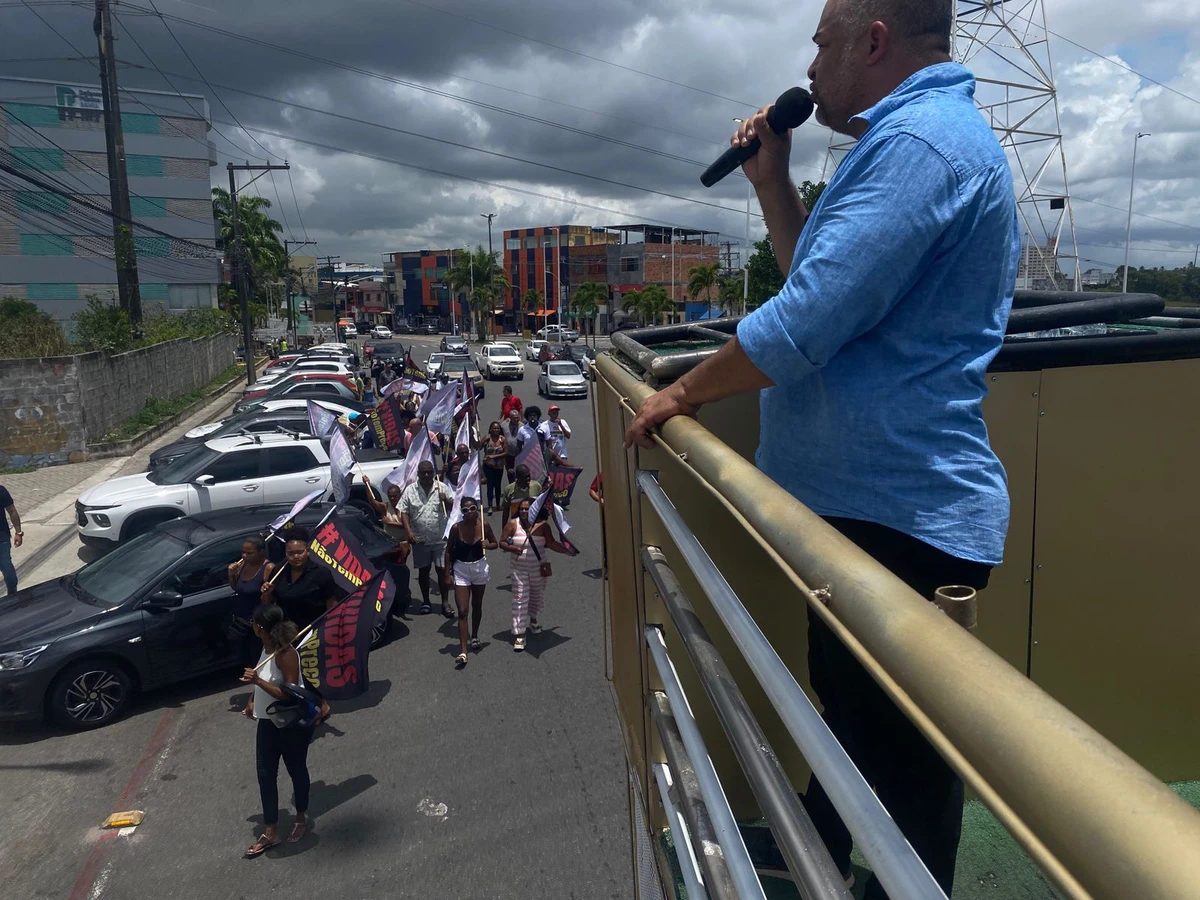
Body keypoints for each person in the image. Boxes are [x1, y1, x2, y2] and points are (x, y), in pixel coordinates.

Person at [625, 0, 1017, 894]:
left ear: (874, 42)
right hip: (866, 509)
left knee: (902, 765)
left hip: (899, 517)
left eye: (823, 42)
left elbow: (804, 324)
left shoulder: (920, 147)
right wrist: (773, 184)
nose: (809, 67)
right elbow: (826, 287)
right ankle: (824, 858)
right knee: (850, 721)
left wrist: (680, 392)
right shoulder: (908, 142)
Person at [240, 604, 315, 857]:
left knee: (296, 770)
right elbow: (262, 677)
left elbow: (288, 693)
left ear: (260, 627)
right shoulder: (265, 648)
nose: (252, 626)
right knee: (265, 774)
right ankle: (271, 830)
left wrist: (257, 681)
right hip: (267, 723)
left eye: (253, 622)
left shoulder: (286, 654)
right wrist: (252, 700)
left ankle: (301, 818)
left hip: (289, 726)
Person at [498, 497, 569, 652]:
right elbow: (501, 542)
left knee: (536, 595)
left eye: (527, 509)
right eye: (522, 509)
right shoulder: (513, 524)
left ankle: (533, 620)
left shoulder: (543, 526)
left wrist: (567, 551)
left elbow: (551, 543)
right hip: (519, 570)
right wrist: (512, 548)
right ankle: (520, 634)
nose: (524, 511)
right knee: (520, 598)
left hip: (538, 568)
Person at [444, 497, 498, 665]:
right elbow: (448, 551)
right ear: (461, 512)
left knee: (477, 605)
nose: (469, 512)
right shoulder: (456, 528)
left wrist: (487, 545)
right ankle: (463, 651)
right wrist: (447, 574)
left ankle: (474, 636)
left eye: (472, 509)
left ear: (477, 509)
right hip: (461, 570)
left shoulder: (484, 526)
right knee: (462, 610)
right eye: (465, 510)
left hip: (479, 569)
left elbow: (495, 543)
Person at [399, 460, 455, 617]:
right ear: (418, 474)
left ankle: (445, 603)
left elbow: (454, 508)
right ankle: (426, 602)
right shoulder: (410, 490)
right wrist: (408, 531)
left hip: (440, 539)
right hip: (420, 540)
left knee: (442, 571)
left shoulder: (442, 488)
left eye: (429, 472)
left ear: (433, 473)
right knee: (424, 571)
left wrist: (446, 501)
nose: (426, 475)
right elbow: (404, 511)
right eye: (423, 472)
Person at [261, 527, 338, 631]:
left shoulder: (321, 573)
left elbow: (331, 604)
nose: (296, 556)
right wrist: (266, 593)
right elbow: (267, 604)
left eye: (300, 552)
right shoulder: (279, 570)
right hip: (284, 632)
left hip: (312, 632)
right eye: (291, 553)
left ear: (308, 551)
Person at [0, 483, 22, 596]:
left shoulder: (1, 491)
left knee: (6, 567)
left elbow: (12, 511)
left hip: (1, 539)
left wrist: (18, 532)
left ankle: (13, 594)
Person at [482, 421, 507, 514]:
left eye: (497, 428)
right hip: (488, 466)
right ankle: (490, 506)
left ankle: (498, 504)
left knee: (498, 485)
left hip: (499, 467)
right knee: (490, 486)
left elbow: (506, 452)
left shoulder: (502, 439)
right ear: (490, 429)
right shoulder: (487, 438)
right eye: (494, 428)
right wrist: (480, 440)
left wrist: (494, 456)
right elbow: (478, 447)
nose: (496, 430)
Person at [503, 408, 523, 483]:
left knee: (519, 472)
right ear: (510, 418)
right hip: (508, 455)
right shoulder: (504, 425)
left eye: (517, 417)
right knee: (510, 472)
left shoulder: (522, 426)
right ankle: (511, 485)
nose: (516, 419)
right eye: (514, 418)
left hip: (519, 454)